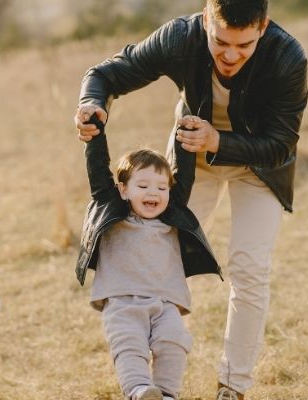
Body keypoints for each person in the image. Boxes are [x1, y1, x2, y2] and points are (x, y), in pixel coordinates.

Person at [73, 0, 308, 398]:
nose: (231, 55)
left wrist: (219, 140)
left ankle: (233, 386)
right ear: (204, 20)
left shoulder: (288, 56)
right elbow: (107, 74)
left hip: (260, 166)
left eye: (245, 45)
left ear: (263, 27)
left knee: (250, 270)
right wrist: (89, 103)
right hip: (189, 160)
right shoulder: (179, 38)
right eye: (220, 42)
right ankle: (150, 381)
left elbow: (282, 144)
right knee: (162, 256)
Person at [75, 115, 222, 400]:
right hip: (122, 299)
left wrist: (187, 131)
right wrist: (94, 130)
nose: (153, 193)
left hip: (166, 301)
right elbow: (97, 169)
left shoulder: (172, 214)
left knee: (174, 342)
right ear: (123, 189)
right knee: (129, 344)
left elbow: (185, 172)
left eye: (161, 187)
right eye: (142, 186)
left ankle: (166, 394)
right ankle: (139, 390)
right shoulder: (113, 211)